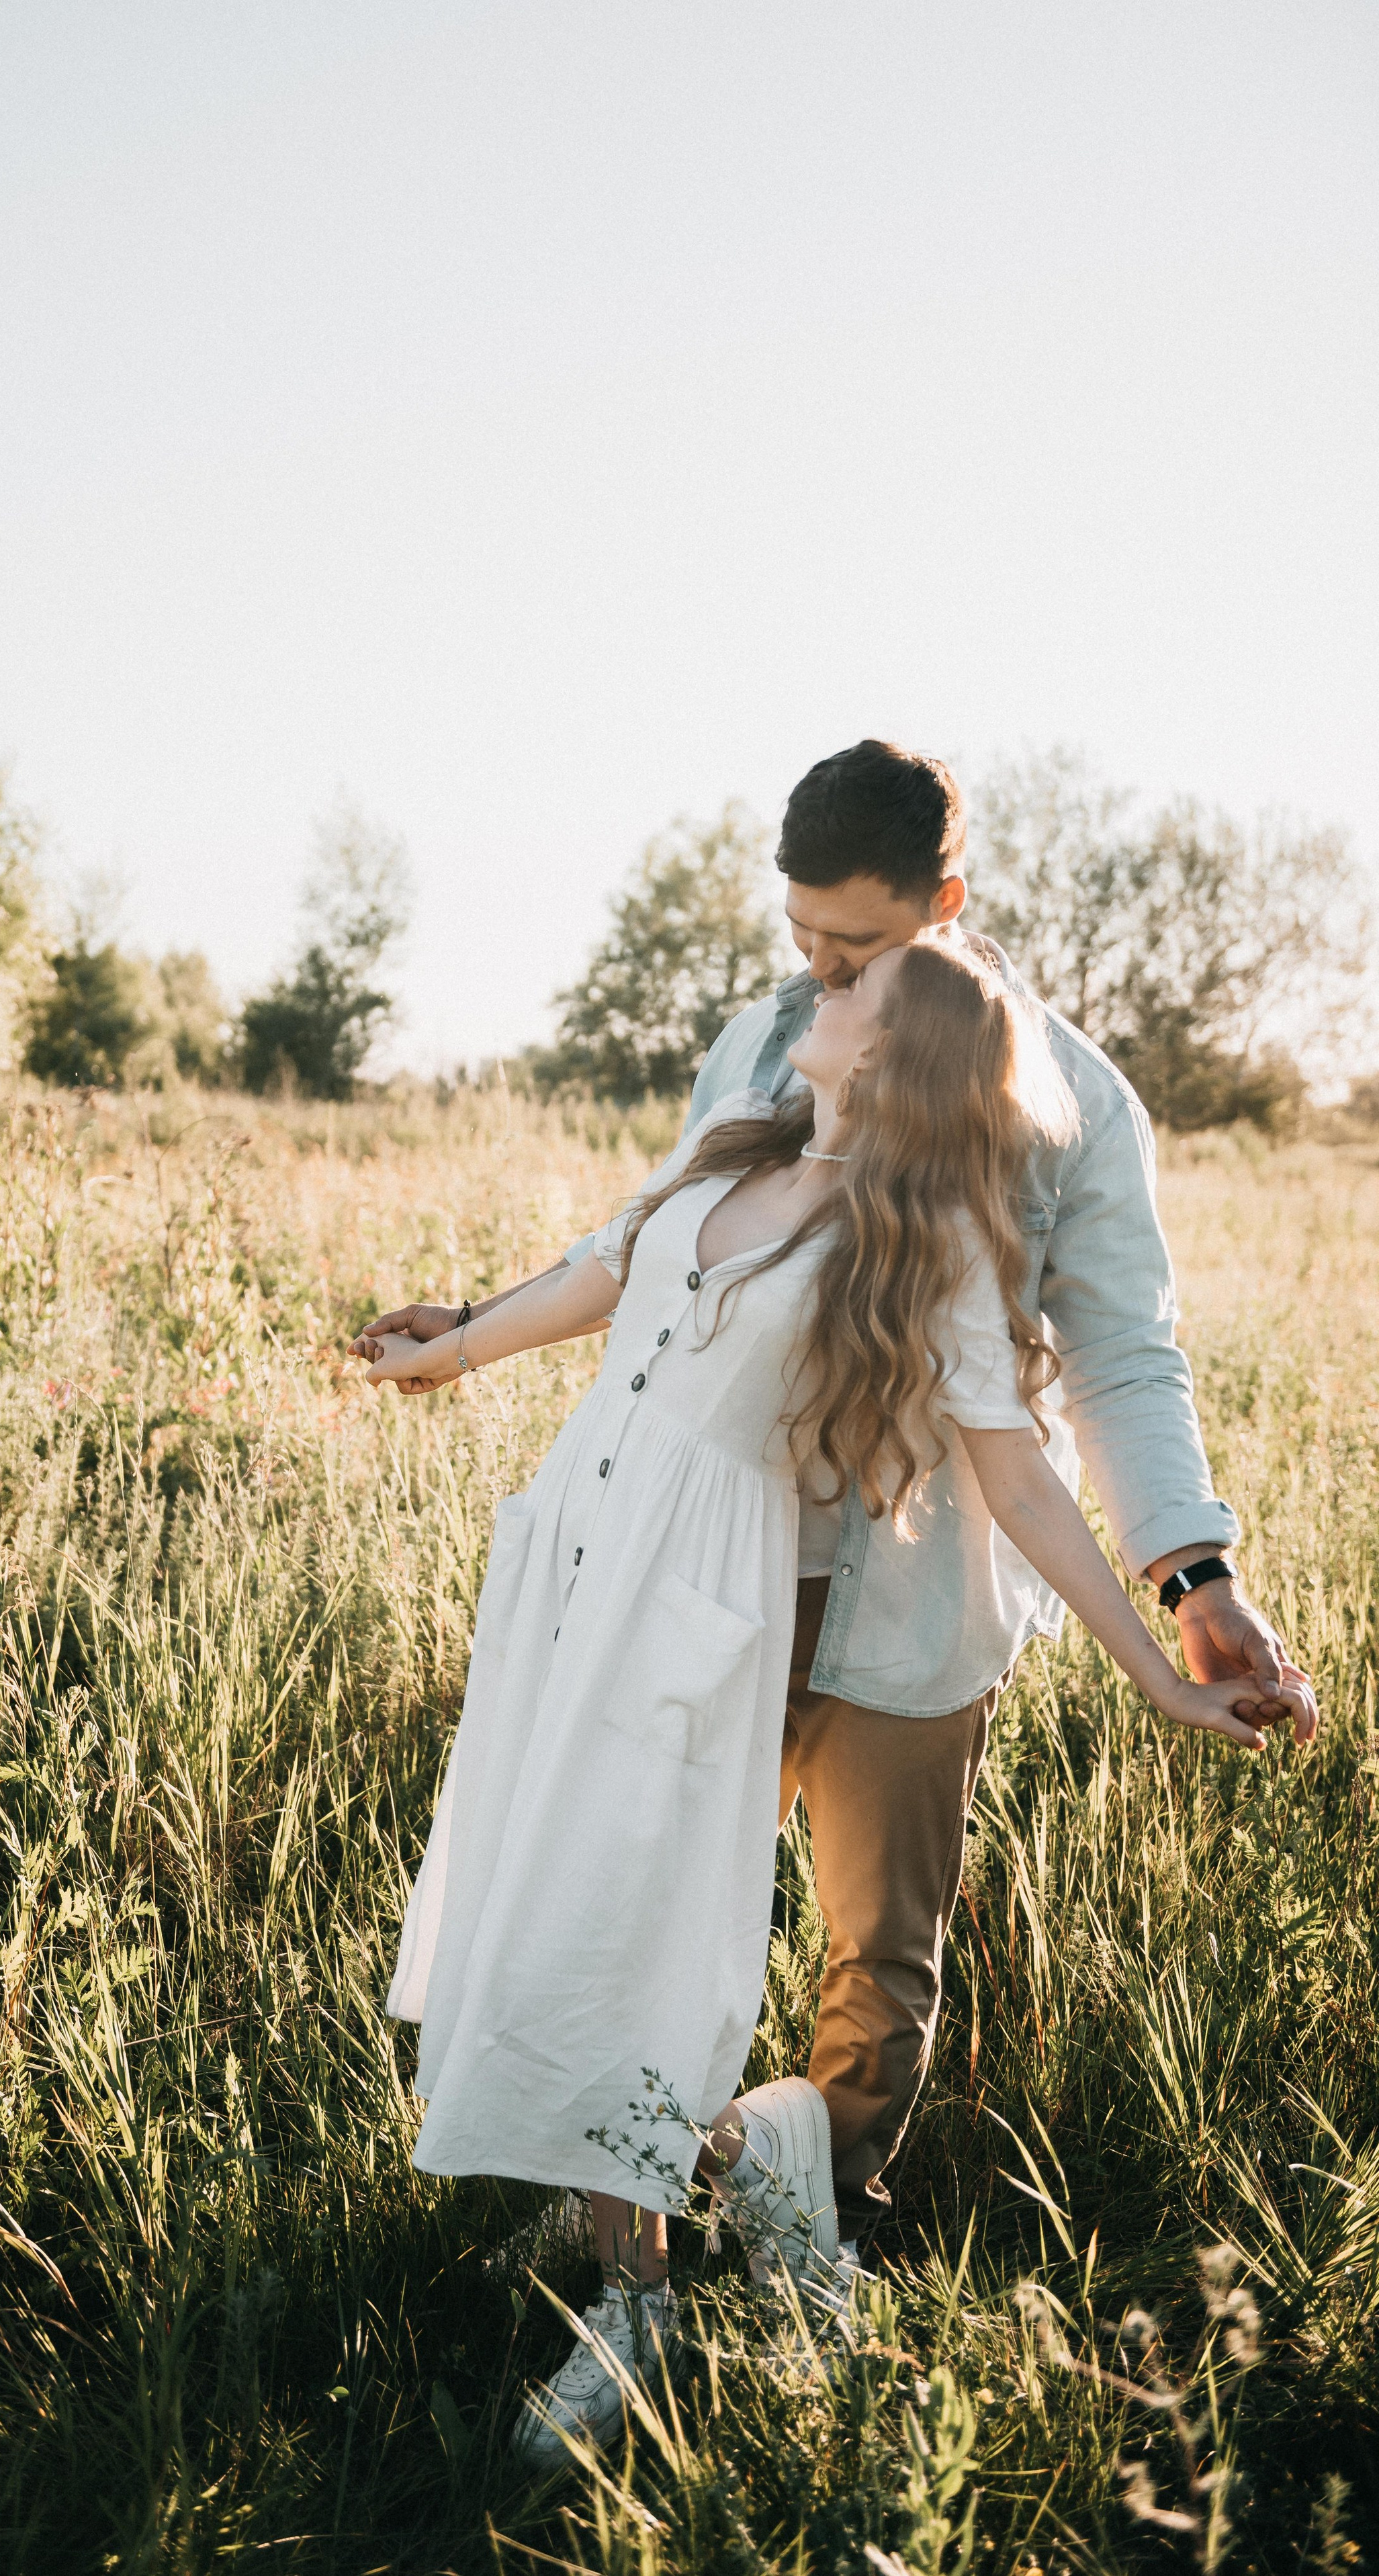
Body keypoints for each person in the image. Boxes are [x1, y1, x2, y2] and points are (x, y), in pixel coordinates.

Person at [358, 739, 1317, 2332]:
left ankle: (816, 2209)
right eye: (800, 939)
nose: (812, 975)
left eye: (851, 952)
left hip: (916, 1573)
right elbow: (655, 1242)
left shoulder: (1068, 1099)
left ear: (946, 904)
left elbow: (1116, 1362)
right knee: (645, 1897)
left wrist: (1189, 1577)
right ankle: (637, 2183)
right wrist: (466, 1331)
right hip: (705, 1569)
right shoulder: (768, 1038)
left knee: (877, 1943)